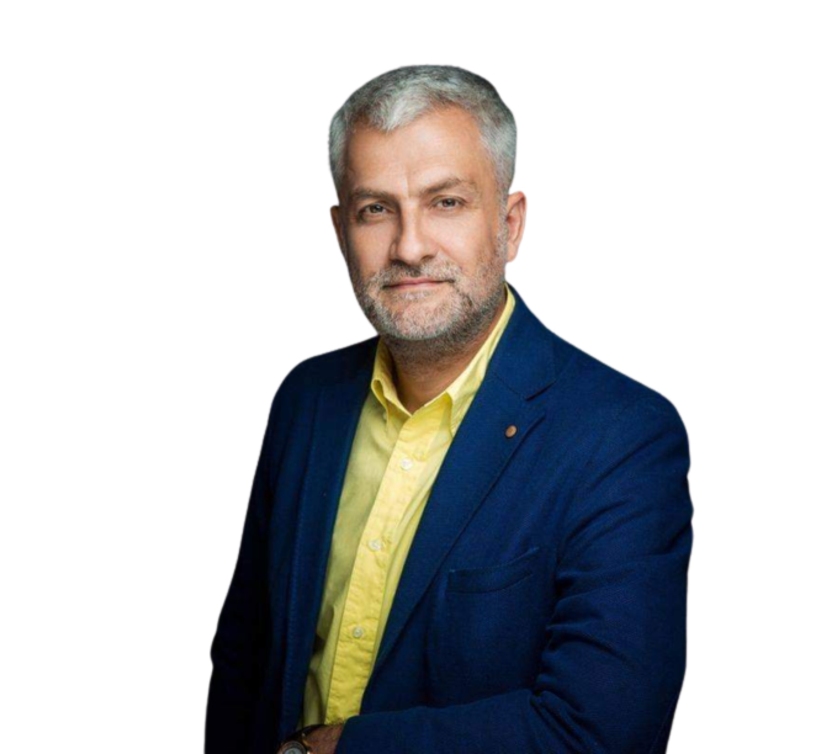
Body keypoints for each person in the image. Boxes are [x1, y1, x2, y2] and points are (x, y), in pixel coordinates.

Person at [205, 64, 693, 754]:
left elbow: (599, 735)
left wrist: (330, 750)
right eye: (376, 210)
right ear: (342, 231)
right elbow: (244, 664)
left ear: (510, 224)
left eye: (447, 203)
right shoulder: (306, 401)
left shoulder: (621, 437)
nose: (410, 246)